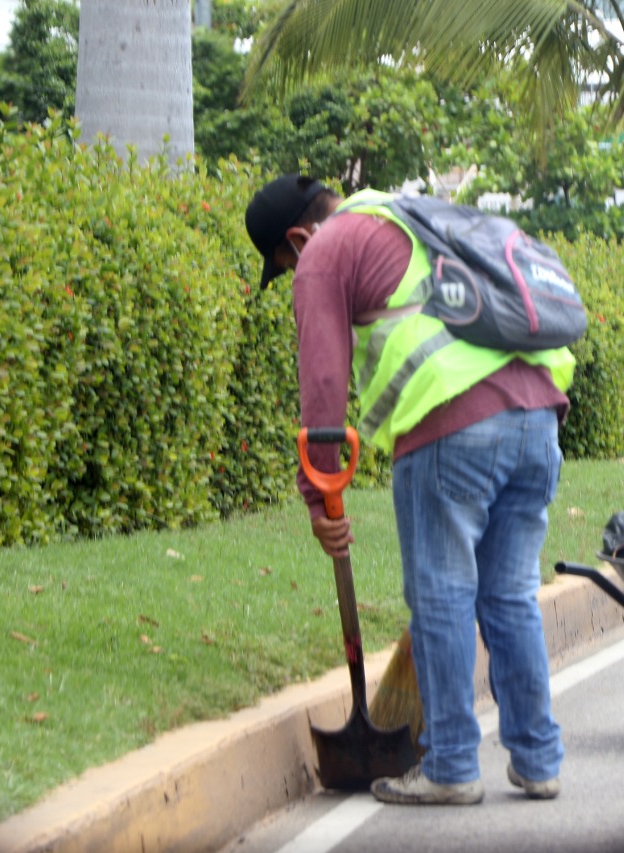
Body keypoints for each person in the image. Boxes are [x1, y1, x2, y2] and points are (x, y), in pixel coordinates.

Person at [244, 175, 574, 803]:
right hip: (538, 418)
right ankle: (537, 760)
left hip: (452, 426)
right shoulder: (415, 218)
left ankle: (451, 766)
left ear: (296, 238)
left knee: (442, 593)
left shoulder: (325, 251)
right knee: (509, 595)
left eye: (285, 265)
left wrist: (318, 493)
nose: (294, 275)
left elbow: (322, 386)